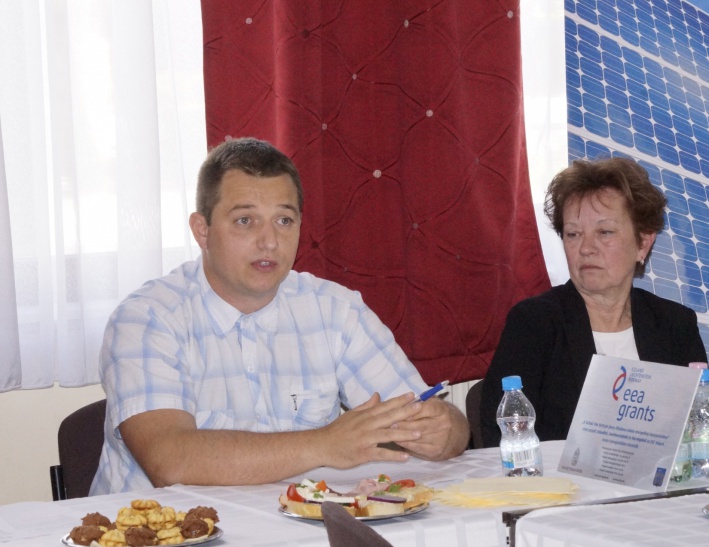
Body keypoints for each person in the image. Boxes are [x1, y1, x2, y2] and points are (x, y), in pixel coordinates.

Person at [91, 137, 469, 494]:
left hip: (297, 526)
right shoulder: (147, 319)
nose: (269, 241)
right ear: (202, 231)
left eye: (284, 221)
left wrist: (443, 430)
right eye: (245, 220)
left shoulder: (335, 310)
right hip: (165, 528)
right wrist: (325, 444)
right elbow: (171, 462)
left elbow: (439, 423)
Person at [480, 156, 707, 447]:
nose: (586, 248)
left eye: (605, 232)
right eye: (573, 234)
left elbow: (704, 425)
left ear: (643, 243)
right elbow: (500, 434)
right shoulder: (534, 323)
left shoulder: (674, 324)